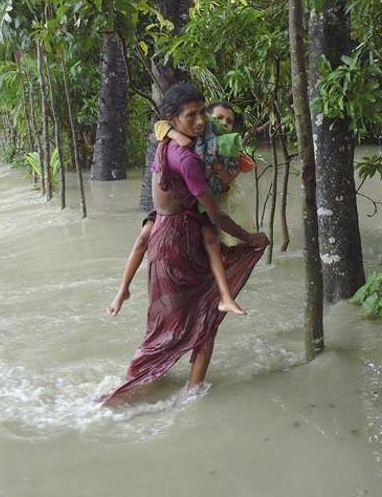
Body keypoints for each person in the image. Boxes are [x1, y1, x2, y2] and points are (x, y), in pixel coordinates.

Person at [99, 83, 268, 405]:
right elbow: (216, 214)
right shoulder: (187, 158)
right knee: (184, 321)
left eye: (201, 113)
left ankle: (165, 388)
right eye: (190, 116)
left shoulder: (169, 143)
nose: (200, 121)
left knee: (171, 323)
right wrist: (250, 238)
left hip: (169, 236)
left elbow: (163, 130)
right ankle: (136, 392)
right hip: (180, 241)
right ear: (173, 119)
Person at [108, 101, 255, 317]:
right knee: (143, 238)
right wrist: (176, 136)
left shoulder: (228, 151)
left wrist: (221, 166)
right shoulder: (192, 134)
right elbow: (161, 126)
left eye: (229, 121)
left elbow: (226, 184)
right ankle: (123, 290)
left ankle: (225, 295)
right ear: (208, 119)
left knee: (211, 240)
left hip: (201, 206)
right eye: (219, 118)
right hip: (174, 205)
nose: (224, 123)